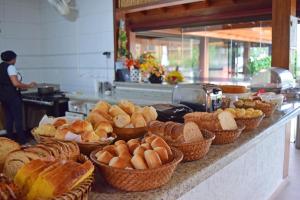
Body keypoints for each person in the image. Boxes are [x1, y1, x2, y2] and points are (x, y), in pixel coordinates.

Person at [0, 50, 36, 144]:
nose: (16, 60)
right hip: (12, 96)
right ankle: (23, 141)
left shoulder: (1, 66)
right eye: (15, 58)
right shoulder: (11, 67)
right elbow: (15, 83)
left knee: (9, 119)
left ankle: (10, 141)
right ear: (12, 59)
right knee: (18, 119)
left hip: (3, 96)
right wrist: (29, 85)